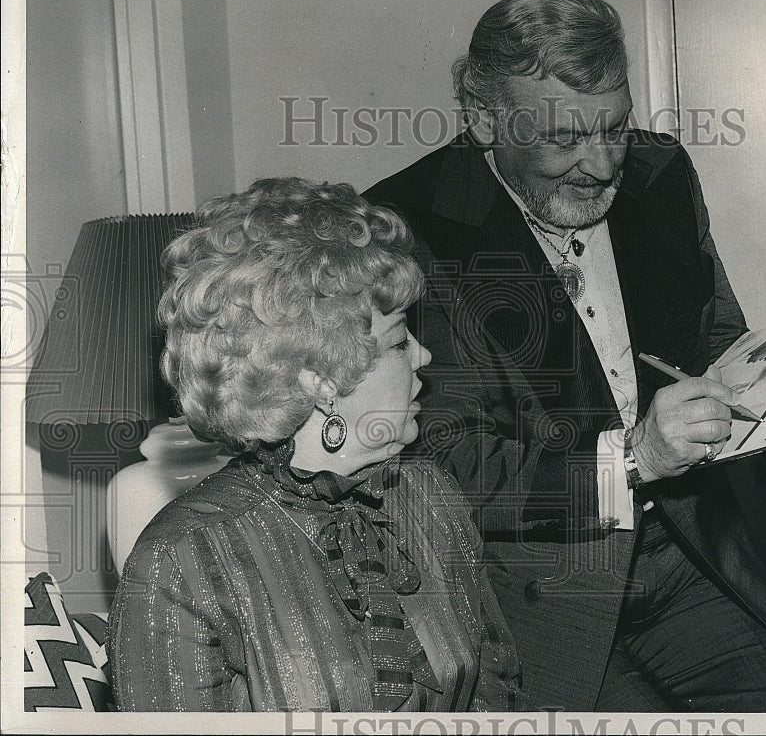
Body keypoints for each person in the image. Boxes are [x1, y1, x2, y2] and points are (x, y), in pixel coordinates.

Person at [365, 0, 766, 712]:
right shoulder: (403, 227)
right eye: (563, 138)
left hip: (689, 556)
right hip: (533, 598)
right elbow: (442, 463)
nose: (602, 164)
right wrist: (634, 458)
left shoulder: (659, 173)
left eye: (615, 127)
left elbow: (717, 346)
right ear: (485, 118)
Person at [107, 178, 521, 712]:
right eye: (399, 340)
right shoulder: (184, 558)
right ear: (321, 378)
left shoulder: (429, 496)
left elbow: (498, 691)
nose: (423, 356)